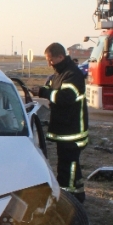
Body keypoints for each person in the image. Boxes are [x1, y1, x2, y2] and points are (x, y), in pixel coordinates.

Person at [31, 43, 89, 202]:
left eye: (51, 60)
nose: (49, 64)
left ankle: (69, 199)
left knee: (68, 166)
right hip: (65, 130)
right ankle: (77, 194)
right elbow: (52, 89)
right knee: (68, 165)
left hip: (72, 131)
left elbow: (65, 98)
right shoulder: (59, 74)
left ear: (60, 57)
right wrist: (41, 89)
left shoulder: (72, 75)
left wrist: (44, 92)